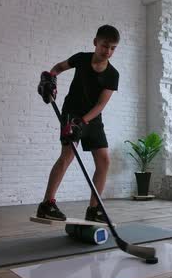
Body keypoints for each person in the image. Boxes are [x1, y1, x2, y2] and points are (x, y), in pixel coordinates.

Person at [36, 25, 120, 223]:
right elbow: (58, 68)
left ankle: (94, 209)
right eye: (104, 46)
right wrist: (50, 79)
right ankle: (47, 204)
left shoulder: (113, 74)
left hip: (92, 117)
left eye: (113, 48)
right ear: (95, 43)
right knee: (67, 155)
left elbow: (101, 104)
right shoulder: (82, 58)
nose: (108, 51)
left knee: (104, 161)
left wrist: (83, 122)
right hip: (71, 113)